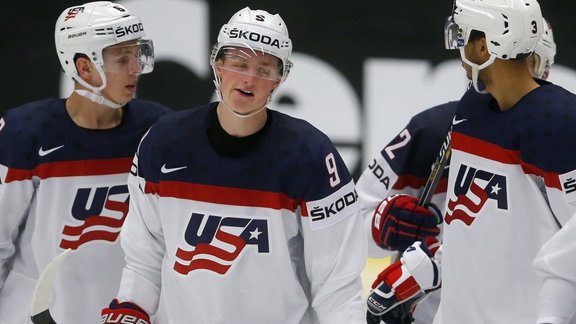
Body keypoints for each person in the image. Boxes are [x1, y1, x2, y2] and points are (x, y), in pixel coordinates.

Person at [100, 6, 367, 324]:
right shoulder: (163, 143)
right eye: (239, 63)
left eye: (264, 69)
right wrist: (132, 307)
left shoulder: (312, 156)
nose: (249, 79)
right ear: (218, 64)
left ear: (279, 80)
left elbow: (337, 287)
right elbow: (144, 258)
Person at [362, 0, 576, 322]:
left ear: (485, 45)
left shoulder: (561, 124)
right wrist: (423, 266)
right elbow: (483, 231)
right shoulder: (467, 113)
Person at [0, 2, 171, 323]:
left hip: (126, 313)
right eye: (123, 59)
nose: (136, 68)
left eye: (137, 55)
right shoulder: (24, 133)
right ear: (85, 66)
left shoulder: (158, 128)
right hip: (35, 312)